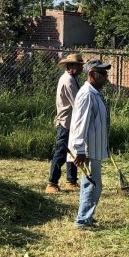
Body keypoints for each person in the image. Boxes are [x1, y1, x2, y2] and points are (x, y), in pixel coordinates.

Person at [68, 59, 111, 230]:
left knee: (94, 184)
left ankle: (86, 217)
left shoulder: (95, 93)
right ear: (92, 75)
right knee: (91, 184)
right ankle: (82, 220)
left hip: (95, 147)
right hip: (87, 149)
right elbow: (80, 124)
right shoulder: (86, 94)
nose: (106, 77)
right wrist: (79, 149)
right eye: (103, 74)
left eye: (106, 73)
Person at [45, 53, 84, 194]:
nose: (81, 68)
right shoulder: (68, 80)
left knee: (72, 152)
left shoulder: (72, 79)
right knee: (61, 152)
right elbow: (77, 104)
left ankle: (71, 181)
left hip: (72, 122)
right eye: (79, 66)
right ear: (71, 66)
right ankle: (52, 183)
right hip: (65, 122)